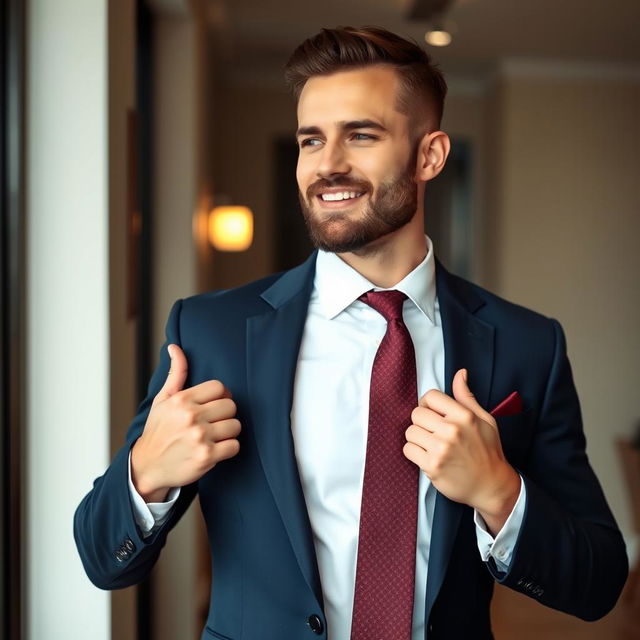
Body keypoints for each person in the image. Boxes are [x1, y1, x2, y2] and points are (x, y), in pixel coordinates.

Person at [74, 26, 628, 640]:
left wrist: (499, 492)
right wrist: (146, 472)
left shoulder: (528, 345)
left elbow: (599, 583)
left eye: (360, 135)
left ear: (430, 155)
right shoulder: (212, 332)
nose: (328, 164)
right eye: (312, 140)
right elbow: (102, 560)